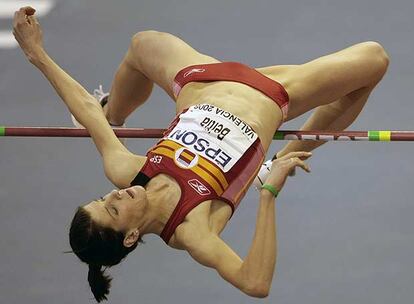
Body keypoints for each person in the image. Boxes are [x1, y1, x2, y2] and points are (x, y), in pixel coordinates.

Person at [12, 6, 389, 302]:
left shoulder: (127, 171)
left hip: (200, 79)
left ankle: (118, 113)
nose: (113, 194)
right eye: (111, 208)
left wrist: (37, 54)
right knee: (374, 59)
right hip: (271, 93)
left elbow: (86, 112)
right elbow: (255, 283)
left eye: (101, 198)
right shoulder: (191, 230)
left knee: (143, 44)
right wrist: (268, 194)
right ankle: (280, 160)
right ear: (130, 237)